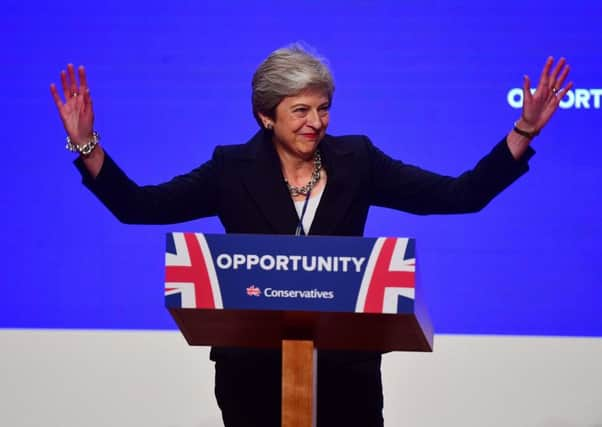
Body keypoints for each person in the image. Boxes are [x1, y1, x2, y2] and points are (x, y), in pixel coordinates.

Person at [50, 44, 572, 427]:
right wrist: (87, 147)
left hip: (347, 375)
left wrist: (522, 132)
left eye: (323, 108)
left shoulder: (358, 161)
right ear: (265, 116)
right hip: (252, 375)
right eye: (300, 110)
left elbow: (460, 195)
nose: (315, 122)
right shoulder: (231, 169)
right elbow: (139, 206)